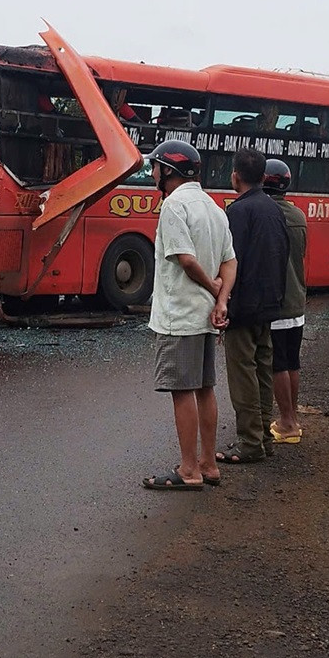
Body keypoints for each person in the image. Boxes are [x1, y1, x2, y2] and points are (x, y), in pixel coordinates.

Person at [141, 140, 236, 491]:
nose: (152, 174)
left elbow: (185, 259)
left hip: (179, 315)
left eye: (155, 167)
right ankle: (208, 464)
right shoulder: (214, 207)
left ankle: (188, 469)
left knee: (182, 391)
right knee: (205, 389)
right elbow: (230, 260)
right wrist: (222, 299)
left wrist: (214, 292)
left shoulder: (174, 206)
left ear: (170, 171)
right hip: (207, 317)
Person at [215, 148, 290, 464]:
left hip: (244, 306)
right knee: (262, 369)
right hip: (270, 304)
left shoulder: (237, 213)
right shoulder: (275, 210)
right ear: (263, 177)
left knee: (242, 372)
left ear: (235, 176)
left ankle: (249, 442)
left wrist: (224, 304)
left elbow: (232, 263)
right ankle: (262, 436)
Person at [263, 159, 308, 444]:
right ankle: (291, 418)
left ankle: (287, 423)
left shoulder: (267, 215)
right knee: (291, 362)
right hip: (296, 301)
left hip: (276, 302)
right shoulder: (298, 215)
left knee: (278, 364)